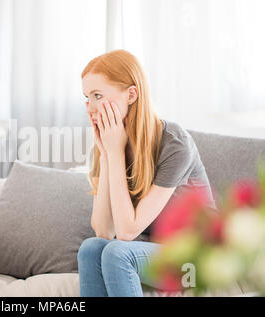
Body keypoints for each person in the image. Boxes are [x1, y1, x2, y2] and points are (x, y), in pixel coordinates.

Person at [77, 49, 217, 297]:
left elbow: (127, 232)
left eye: (98, 96)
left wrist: (115, 153)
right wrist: (109, 156)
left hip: (196, 262)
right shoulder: (110, 143)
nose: (91, 108)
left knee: (117, 252)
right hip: (153, 253)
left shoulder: (174, 143)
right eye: (87, 97)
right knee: (90, 248)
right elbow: (103, 231)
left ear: (131, 94)